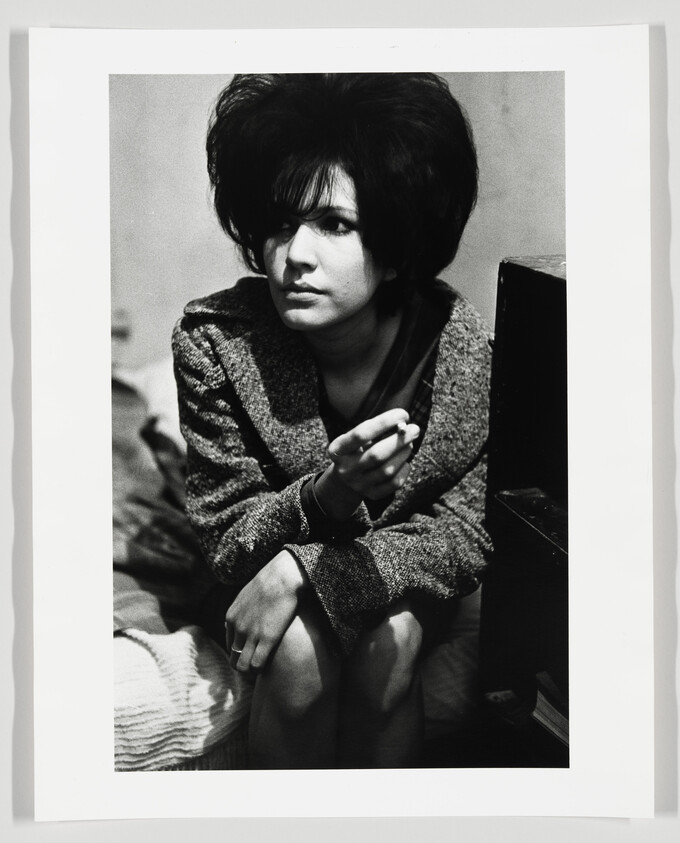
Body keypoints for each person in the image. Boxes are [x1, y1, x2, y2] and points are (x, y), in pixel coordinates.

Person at [172, 72, 492, 769]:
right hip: (255, 569)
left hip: (387, 573)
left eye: (334, 224)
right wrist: (327, 496)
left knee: (390, 646)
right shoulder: (216, 343)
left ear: (398, 241)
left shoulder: (457, 347)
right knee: (295, 652)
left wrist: (305, 568)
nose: (295, 255)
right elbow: (227, 537)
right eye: (280, 224)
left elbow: (465, 533)